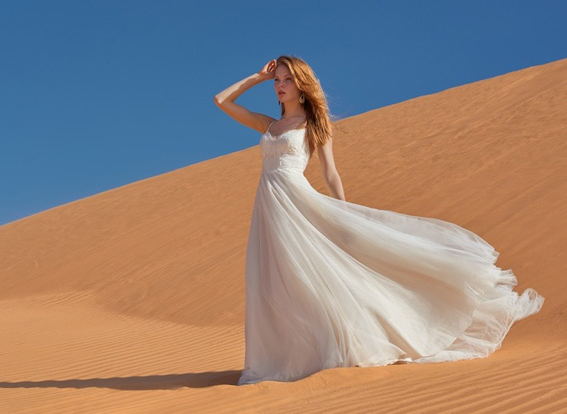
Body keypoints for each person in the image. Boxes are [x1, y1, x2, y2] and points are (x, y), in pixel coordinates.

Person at [213, 55, 545, 386]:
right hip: (269, 210)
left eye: (287, 80)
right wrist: (256, 76)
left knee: (306, 277)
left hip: (298, 207)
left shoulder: (314, 126)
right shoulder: (270, 126)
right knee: (275, 283)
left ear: (301, 86)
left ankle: (343, 345)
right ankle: (290, 357)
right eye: (277, 80)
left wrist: (344, 216)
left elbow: (330, 173)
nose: (280, 86)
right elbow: (221, 101)